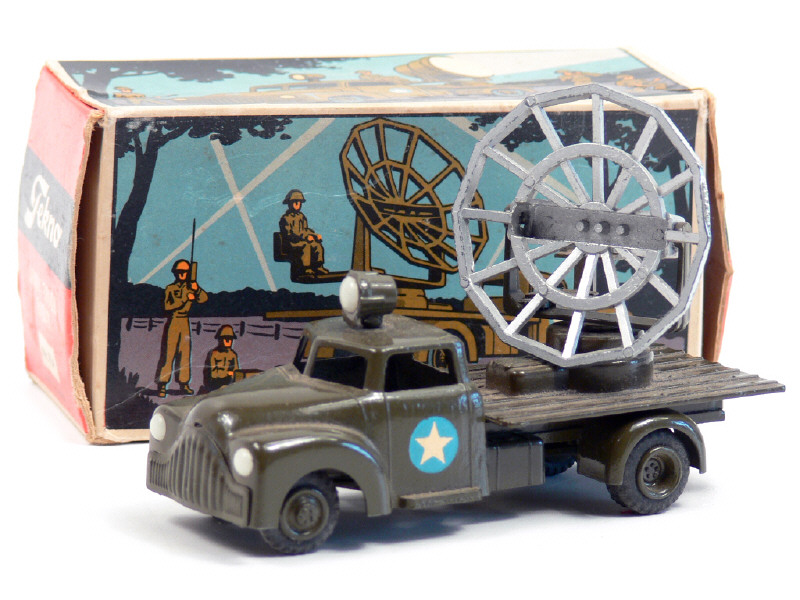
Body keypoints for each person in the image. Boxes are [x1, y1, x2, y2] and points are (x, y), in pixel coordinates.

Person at [155, 259, 208, 397]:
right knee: (169, 354)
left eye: (184, 271)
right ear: (175, 272)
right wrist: (185, 299)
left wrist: (196, 289)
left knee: (184, 354)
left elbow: (204, 299)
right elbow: (167, 306)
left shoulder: (191, 287)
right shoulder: (170, 289)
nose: (182, 274)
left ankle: (184, 384)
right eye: (179, 271)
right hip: (174, 320)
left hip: (185, 321)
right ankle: (162, 385)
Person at [278, 189, 328, 277]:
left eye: (300, 202)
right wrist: (304, 237)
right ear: (289, 203)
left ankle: (318, 266)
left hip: (301, 240)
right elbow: (289, 235)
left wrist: (315, 235)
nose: (298, 205)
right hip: (291, 243)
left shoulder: (301, 216)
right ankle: (306, 268)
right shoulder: (285, 218)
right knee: (306, 245)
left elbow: (305, 230)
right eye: (295, 202)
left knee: (316, 244)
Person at [204, 325, 240, 391]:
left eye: (230, 339)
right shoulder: (214, 354)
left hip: (229, 383)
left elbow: (237, 372)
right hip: (215, 383)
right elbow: (213, 373)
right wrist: (227, 373)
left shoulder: (233, 355)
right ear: (220, 339)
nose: (228, 341)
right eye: (226, 338)